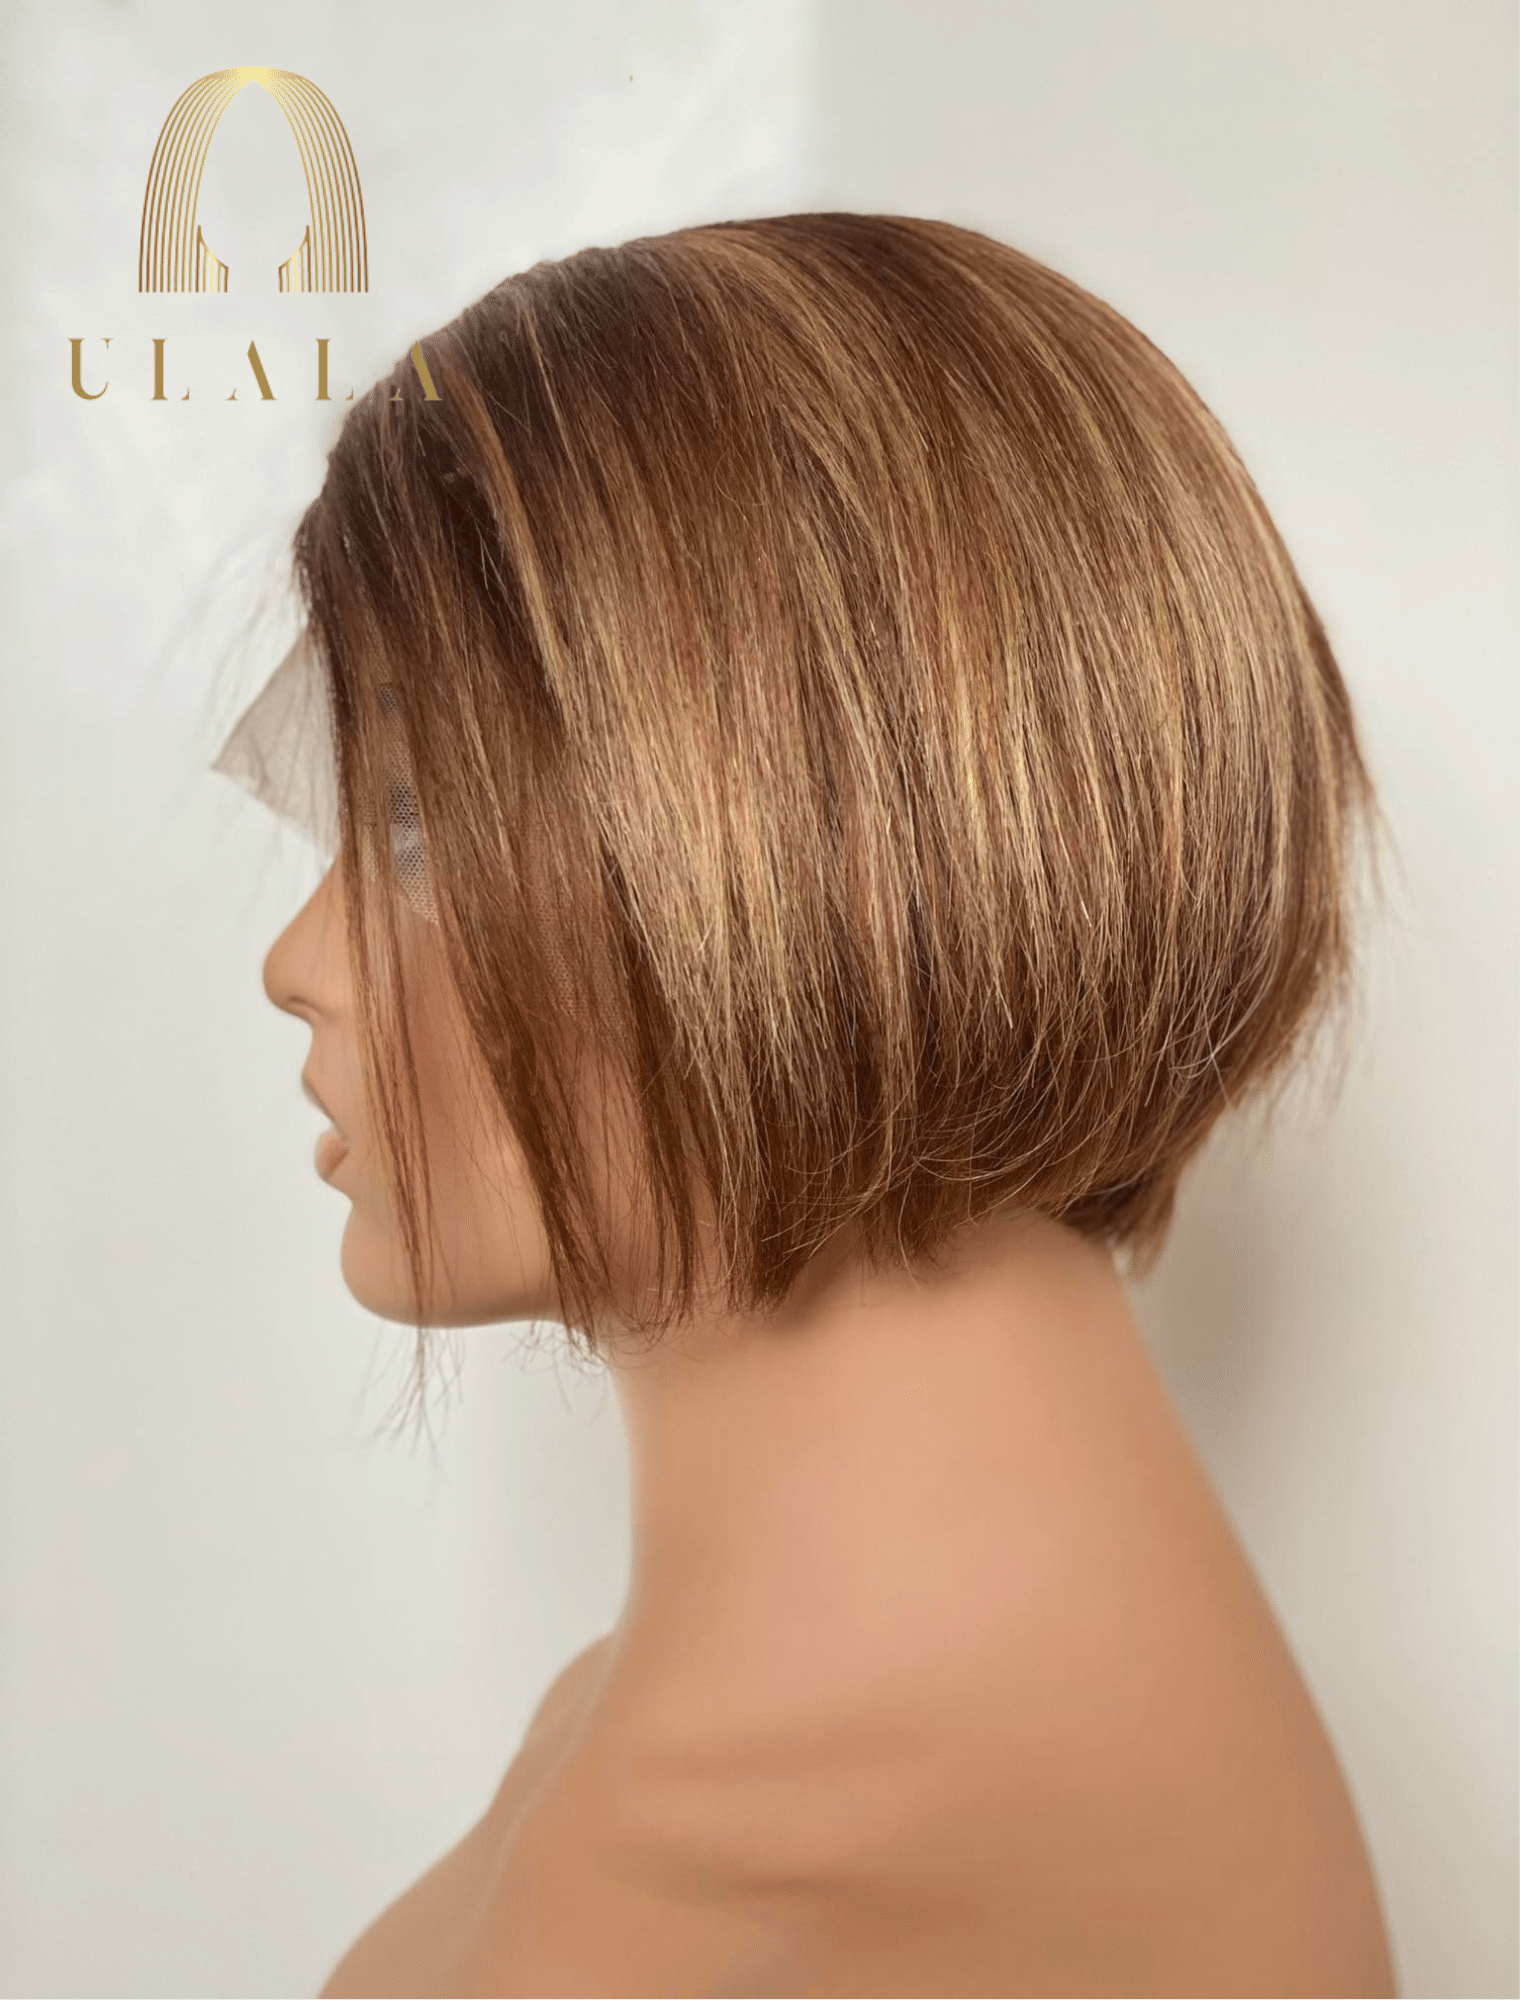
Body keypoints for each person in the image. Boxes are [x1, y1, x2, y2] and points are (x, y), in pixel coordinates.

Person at [237, 211, 1398, 1996]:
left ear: (824, 837)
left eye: (412, 826)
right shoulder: (700, 1753)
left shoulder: (849, 1872)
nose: (299, 962)